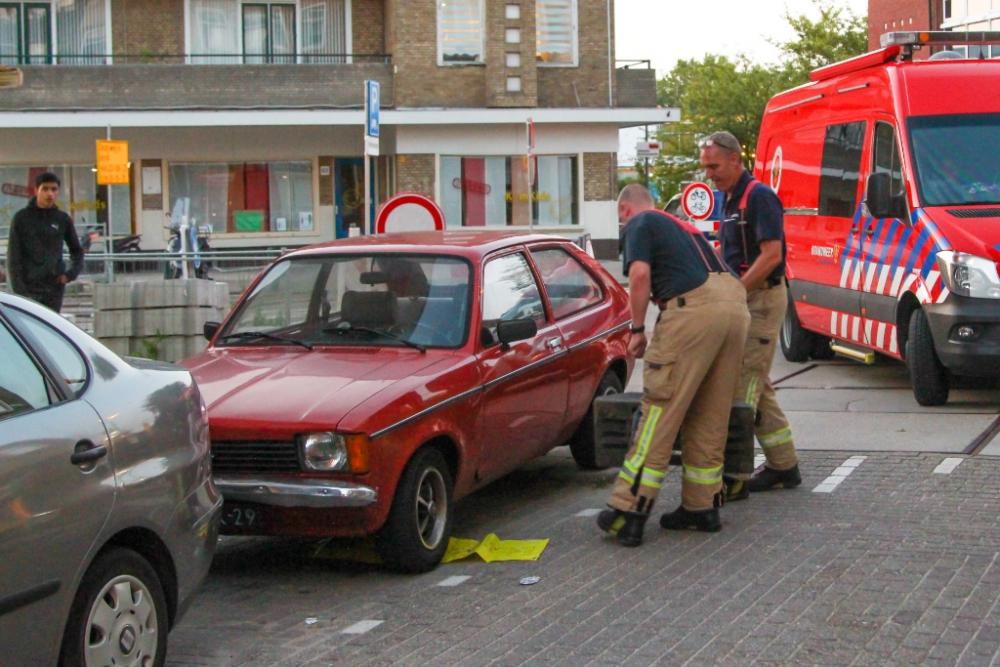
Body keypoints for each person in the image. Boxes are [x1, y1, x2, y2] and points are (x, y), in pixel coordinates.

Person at [597, 184, 750, 547]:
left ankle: (628, 512)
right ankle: (702, 507)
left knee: (659, 411)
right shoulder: (684, 227)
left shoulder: (639, 223)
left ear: (624, 210)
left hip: (692, 311)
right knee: (710, 414)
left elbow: (638, 276)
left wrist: (637, 331)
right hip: (734, 306)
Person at [700, 131, 802, 497]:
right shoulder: (729, 199)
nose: (709, 174)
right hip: (745, 300)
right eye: (705, 167)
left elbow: (772, 255)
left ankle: (735, 477)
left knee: (744, 390)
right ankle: (784, 465)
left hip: (760, 300)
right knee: (758, 385)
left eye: (714, 166)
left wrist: (737, 290)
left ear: (734, 159)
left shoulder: (758, 197)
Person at [6, 172, 84, 313]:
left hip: (54, 288)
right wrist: (21, 292)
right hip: (29, 288)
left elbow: (77, 250)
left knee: (50, 328)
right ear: (36, 191)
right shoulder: (21, 219)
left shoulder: (62, 219)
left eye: (54, 189)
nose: (50, 194)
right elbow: (13, 257)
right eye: (45, 189)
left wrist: (70, 274)